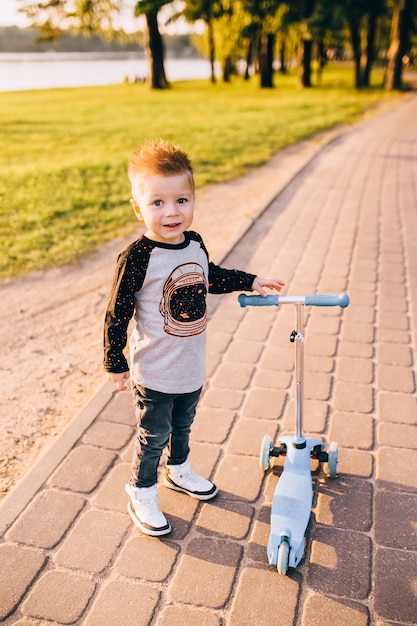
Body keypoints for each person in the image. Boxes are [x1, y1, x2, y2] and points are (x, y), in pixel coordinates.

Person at [104, 139, 285, 537]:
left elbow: (212, 276)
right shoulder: (138, 258)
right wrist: (115, 362)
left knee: (183, 426)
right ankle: (141, 489)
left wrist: (250, 281)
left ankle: (179, 469)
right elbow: (117, 314)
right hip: (154, 371)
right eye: (157, 203)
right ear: (139, 208)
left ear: (192, 199)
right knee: (154, 437)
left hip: (190, 367)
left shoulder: (195, 243)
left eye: (181, 200)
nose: (171, 212)